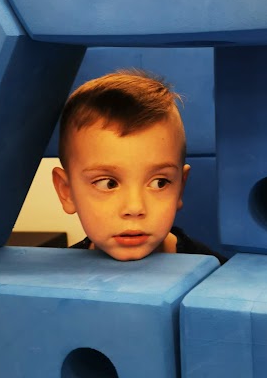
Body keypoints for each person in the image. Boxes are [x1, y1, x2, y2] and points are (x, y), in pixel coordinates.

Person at [52, 69, 226, 263]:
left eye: (159, 183)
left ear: (180, 188)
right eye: (108, 183)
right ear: (66, 191)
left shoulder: (218, 274)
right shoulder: (53, 279)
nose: (135, 207)